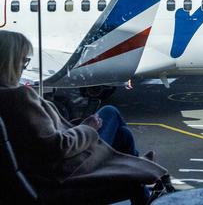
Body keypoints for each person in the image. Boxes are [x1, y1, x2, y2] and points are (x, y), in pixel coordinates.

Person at [0, 30, 168, 203]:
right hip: (65, 170)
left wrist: (75, 126)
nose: (24, 67)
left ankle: (137, 166)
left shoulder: (7, 98)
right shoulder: (19, 98)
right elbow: (57, 147)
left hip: (43, 172)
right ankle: (138, 168)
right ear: (9, 62)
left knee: (121, 132)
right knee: (110, 113)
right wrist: (87, 128)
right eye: (23, 61)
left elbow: (37, 138)